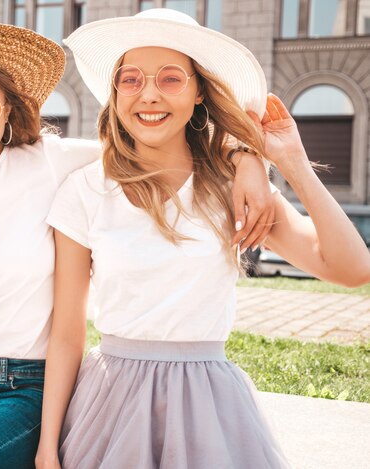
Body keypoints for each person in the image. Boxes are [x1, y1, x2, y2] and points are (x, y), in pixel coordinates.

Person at [0, 18, 276, 469]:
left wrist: (246, 156)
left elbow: (157, 141)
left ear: (7, 110)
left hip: (24, 390)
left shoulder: (51, 161)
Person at [36, 8, 370, 469]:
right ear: (114, 95)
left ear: (198, 93)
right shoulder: (86, 189)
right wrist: (47, 445)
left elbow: (352, 269)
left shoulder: (232, 189)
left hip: (209, 406)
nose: (148, 94)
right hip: (110, 403)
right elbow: (67, 333)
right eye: (130, 79)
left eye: (170, 79)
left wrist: (288, 161)